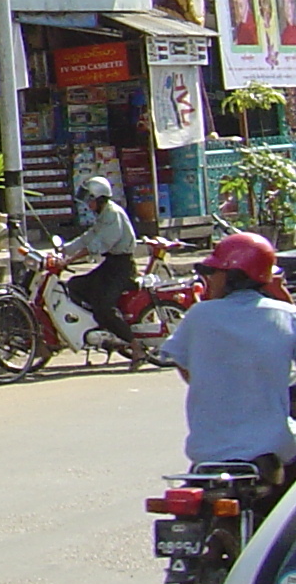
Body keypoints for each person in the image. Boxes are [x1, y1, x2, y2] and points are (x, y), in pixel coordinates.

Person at [162, 231, 296, 482]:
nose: (209, 279)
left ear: (235, 275)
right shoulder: (285, 315)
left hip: (206, 453)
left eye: (214, 273)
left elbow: (183, 363)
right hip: (271, 448)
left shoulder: (199, 315)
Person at [64, 176, 143, 363]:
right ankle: (100, 330)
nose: (87, 203)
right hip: (110, 266)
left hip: (121, 268)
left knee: (104, 307)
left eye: (89, 199)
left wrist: (71, 259)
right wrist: (64, 250)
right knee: (75, 285)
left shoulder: (112, 214)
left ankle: (135, 346)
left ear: (98, 198)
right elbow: (88, 236)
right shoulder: (104, 214)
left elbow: (99, 244)